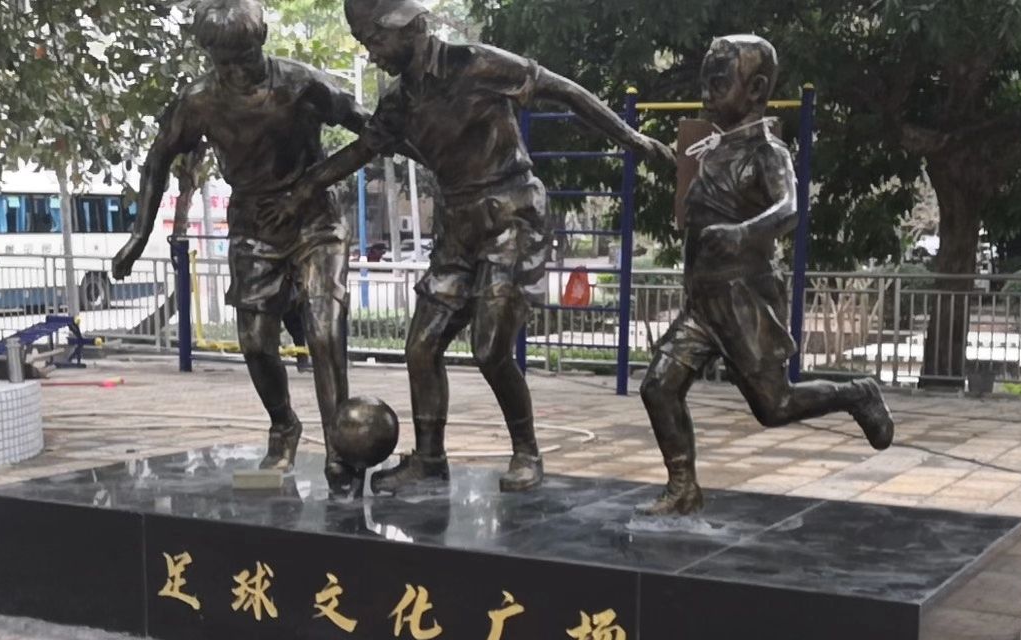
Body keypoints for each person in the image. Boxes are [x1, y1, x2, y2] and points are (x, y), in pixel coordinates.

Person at [272, 0, 677, 493]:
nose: (372, 54)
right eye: (365, 44)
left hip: (512, 216)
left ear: (409, 27)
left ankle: (526, 451)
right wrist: (304, 189)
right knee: (421, 347)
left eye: (376, 41)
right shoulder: (399, 101)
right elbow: (361, 150)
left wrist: (633, 139)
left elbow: (565, 91)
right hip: (457, 228)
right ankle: (429, 461)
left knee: (490, 348)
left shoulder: (477, 64)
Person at [112, 0, 368, 493]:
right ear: (208, 55)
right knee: (253, 341)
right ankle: (283, 426)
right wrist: (139, 235)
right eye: (223, 62)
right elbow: (157, 160)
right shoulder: (199, 101)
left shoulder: (302, 84)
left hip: (315, 218)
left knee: (322, 330)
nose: (235, 72)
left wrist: (311, 186)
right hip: (254, 225)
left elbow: (373, 130)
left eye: (244, 58)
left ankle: (340, 449)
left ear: (263, 39)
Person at [636, 35, 895, 517]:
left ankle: (856, 393)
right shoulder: (712, 148)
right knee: (658, 386)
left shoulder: (768, 152)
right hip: (702, 304)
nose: (706, 95)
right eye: (704, 84)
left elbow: (790, 209)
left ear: (755, 90)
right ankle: (683, 487)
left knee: (774, 407)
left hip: (743, 301)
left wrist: (742, 234)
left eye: (718, 84)